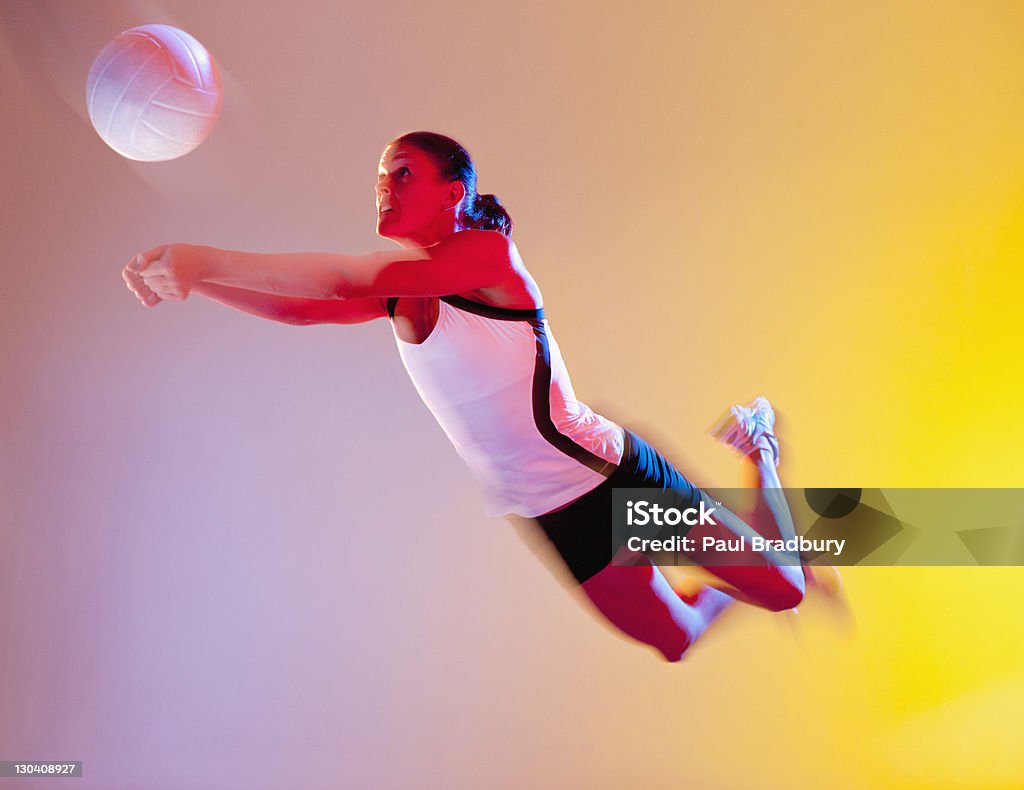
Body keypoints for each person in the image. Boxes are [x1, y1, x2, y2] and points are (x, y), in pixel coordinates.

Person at [122, 131, 820, 663]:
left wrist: (203, 258)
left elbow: (339, 281)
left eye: (403, 174)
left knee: (786, 588)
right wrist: (195, 283)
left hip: (607, 479)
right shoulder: (402, 286)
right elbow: (305, 310)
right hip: (553, 512)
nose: (384, 188)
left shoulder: (488, 259)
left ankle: (762, 453)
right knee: (674, 641)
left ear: (454, 193)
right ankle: (739, 568)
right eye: (378, 179)